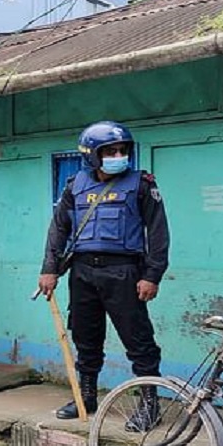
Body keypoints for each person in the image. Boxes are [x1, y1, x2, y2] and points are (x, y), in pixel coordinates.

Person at [37, 121, 169, 426]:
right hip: (82, 271)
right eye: (110, 151)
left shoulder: (142, 184)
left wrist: (152, 275)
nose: (119, 155)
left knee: (138, 340)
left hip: (124, 271)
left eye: (123, 150)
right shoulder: (74, 185)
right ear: (92, 155)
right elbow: (58, 229)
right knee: (86, 336)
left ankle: (150, 403)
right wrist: (49, 269)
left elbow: (159, 233)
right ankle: (86, 395)